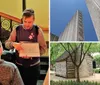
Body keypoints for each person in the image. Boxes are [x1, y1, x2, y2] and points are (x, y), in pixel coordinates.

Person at [5, 8, 47, 85]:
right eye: (25, 21)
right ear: (22, 20)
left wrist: (33, 54)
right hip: (19, 67)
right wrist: (13, 44)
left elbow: (44, 48)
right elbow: (7, 44)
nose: (27, 24)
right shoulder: (17, 29)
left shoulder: (38, 30)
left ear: (34, 20)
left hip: (33, 67)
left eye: (30, 22)